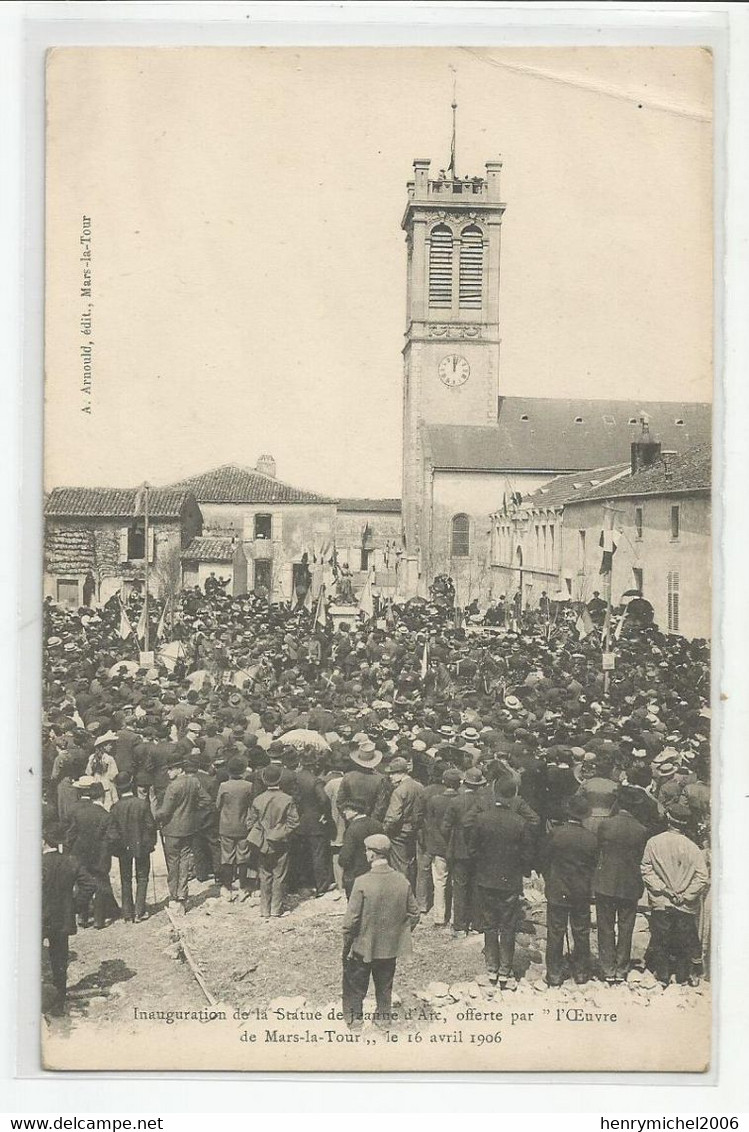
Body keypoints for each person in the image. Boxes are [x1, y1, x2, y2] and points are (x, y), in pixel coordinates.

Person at [341, 833, 420, 1030]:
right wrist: (399, 931)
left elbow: (351, 921)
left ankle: (355, 1020)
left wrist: (348, 942)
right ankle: (384, 1020)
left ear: (373, 855)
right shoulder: (402, 880)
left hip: (363, 946)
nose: (366, 853)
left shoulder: (362, 882)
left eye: (368, 850)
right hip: (389, 947)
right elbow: (415, 913)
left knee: (355, 985)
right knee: (385, 985)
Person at [467, 777, 532, 989]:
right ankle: (505, 970)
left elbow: (472, 849)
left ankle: (492, 969)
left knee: (489, 923)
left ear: (494, 793)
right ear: (513, 796)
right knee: (508, 925)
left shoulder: (481, 819)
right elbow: (526, 854)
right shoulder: (519, 822)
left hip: (486, 878)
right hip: (510, 880)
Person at [640, 802, 709, 986]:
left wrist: (664, 889)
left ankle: (662, 975)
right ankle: (681, 976)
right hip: (684, 904)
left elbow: (646, 870)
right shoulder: (693, 848)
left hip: (662, 900)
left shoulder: (654, 842)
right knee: (683, 940)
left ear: (668, 819)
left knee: (660, 939)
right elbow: (702, 877)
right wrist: (685, 895)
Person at [593, 786, 650, 982]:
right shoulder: (642, 830)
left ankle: (607, 968)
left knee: (605, 926)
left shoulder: (605, 825)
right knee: (626, 927)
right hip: (630, 883)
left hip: (606, 881)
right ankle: (621, 968)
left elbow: (597, 850)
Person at [541, 794, 598, 986]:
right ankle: (582, 973)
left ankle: (554, 974)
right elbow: (594, 865)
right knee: (581, 931)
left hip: (558, 889)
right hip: (581, 891)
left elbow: (544, 859)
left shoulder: (556, 834)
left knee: (556, 930)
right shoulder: (591, 838)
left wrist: (549, 879)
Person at [155, 753, 212, 915]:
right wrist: (193, 810)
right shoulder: (194, 782)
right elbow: (206, 800)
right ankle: (183, 895)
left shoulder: (173, 786)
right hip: (189, 827)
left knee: (173, 863)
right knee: (185, 861)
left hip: (172, 830)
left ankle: (174, 896)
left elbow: (165, 811)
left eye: (171, 769)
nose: (168, 773)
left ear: (179, 769)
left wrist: (155, 814)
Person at [64, 778, 120, 929]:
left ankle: (82, 917)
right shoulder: (106, 815)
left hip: (80, 855)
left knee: (84, 885)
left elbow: (70, 835)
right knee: (101, 885)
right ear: (102, 796)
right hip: (100, 857)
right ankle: (98, 920)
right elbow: (114, 837)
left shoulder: (79, 813)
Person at [247, 762, 300, 918]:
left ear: (263, 780)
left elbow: (250, 822)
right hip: (281, 842)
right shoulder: (287, 799)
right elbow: (294, 822)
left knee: (264, 875)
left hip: (261, 841)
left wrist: (260, 832)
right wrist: (280, 832)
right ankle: (276, 909)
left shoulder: (258, 799)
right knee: (279, 875)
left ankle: (264, 910)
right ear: (280, 779)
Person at [440, 766, 486, 938]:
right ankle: (477, 923)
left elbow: (445, 827)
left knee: (459, 887)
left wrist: (452, 839)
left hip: (459, 849)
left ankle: (460, 925)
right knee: (476, 886)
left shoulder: (456, 802)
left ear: (464, 782)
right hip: (479, 850)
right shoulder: (485, 802)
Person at [42, 820, 81, 1014]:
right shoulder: (70, 860)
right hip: (61, 917)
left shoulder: (37, 863)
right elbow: (89, 884)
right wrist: (75, 905)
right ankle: (59, 1002)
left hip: (39, 919)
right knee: (59, 960)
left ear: (44, 841)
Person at [107, 770, 157, 922]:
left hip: (123, 848)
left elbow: (113, 831)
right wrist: (150, 843)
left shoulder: (115, 807)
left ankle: (127, 913)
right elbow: (150, 826)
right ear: (131, 784)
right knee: (142, 877)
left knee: (125, 879)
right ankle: (139, 911)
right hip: (141, 846)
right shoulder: (142, 805)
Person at [423, 767, 462, 927]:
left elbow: (430, 824)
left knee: (440, 882)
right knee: (457, 883)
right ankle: (455, 916)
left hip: (439, 847)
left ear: (444, 782)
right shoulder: (462, 800)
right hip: (458, 847)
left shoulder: (435, 800)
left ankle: (439, 917)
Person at [294, 748, 334, 897]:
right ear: (313, 764)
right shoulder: (315, 781)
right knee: (318, 854)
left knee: (302, 854)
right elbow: (323, 799)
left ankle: (304, 883)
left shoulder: (296, 777)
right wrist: (324, 814)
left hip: (300, 819)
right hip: (315, 820)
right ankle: (321, 885)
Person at [215, 754, 255, 901]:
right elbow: (251, 804)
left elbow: (218, 805)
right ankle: (243, 886)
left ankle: (227, 887)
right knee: (243, 856)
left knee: (227, 857)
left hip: (226, 826)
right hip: (243, 825)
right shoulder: (248, 786)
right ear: (243, 770)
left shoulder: (223, 786)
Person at [383, 756, 425, 889]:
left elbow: (393, 817)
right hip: (415, 830)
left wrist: (385, 829)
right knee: (412, 863)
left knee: (400, 865)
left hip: (400, 832)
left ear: (400, 773)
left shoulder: (399, 791)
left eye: (392, 773)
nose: (390, 777)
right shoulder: (420, 786)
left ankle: (403, 892)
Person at [338, 801, 384, 898]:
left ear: (356, 811)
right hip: (375, 872)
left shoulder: (352, 829)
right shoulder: (377, 824)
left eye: (347, 809)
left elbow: (345, 858)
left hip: (356, 875)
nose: (344, 812)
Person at [337, 741, 390, 821]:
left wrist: (347, 817)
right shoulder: (380, 779)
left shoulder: (348, 776)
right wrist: (371, 821)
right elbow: (381, 805)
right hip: (370, 820)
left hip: (350, 819)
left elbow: (340, 801)